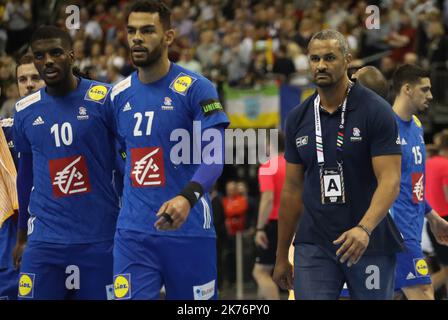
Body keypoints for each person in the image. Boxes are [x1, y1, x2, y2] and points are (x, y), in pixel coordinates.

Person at [110, 0, 229, 300]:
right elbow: (119, 154)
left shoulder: (195, 88)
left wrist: (186, 197)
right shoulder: (117, 96)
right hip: (133, 233)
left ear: (168, 37)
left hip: (188, 232)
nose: (137, 37)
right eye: (132, 30)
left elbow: (214, 156)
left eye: (148, 30)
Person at [273, 29, 404, 300]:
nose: (321, 65)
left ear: (347, 60)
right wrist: (281, 255)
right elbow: (291, 190)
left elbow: (390, 179)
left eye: (330, 57)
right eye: (315, 59)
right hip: (314, 245)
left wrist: (364, 228)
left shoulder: (376, 111)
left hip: (369, 243)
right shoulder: (297, 118)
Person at [13, 26, 121, 300]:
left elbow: (125, 163)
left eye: (56, 52)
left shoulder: (105, 99)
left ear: (71, 55)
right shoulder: (24, 111)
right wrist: (23, 235)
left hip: (99, 237)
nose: (47, 60)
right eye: (40, 55)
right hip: (45, 241)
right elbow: (25, 177)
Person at [390, 64, 448, 300]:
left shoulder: (415, 125)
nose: (431, 96)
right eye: (424, 89)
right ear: (407, 89)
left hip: (414, 226)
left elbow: (416, 182)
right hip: (397, 231)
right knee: (423, 292)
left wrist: (432, 217)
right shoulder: (386, 126)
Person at [0, 54, 44, 300]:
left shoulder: (74, 125)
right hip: (10, 246)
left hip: (55, 238)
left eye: (35, 78)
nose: (28, 84)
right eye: (22, 79)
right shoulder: (4, 129)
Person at [252, 133, 285, 300]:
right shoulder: (296, 165)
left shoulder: (268, 166)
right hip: (297, 223)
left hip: (274, 224)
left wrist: (259, 228)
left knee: (261, 272)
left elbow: (268, 198)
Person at [426, 130, 448, 295]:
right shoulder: (446, 165)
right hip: (443, 221)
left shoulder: (427, 163)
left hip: (428, 221)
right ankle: (411, 294)